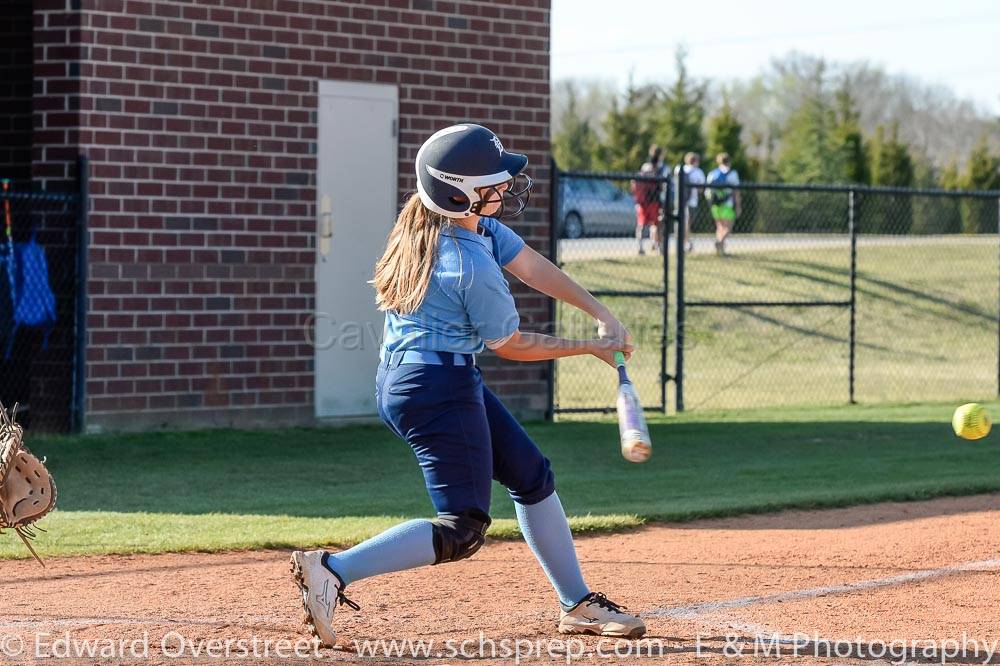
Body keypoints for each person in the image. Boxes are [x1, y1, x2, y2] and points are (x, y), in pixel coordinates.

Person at [290, 124, 646, 647]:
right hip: (433, 387)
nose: (506, 189)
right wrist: (588, 346)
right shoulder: (467, 261)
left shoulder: (450, 223)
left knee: (530, 475)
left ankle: (577, 604)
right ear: (461, 193)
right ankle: (332, 569)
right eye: (495, 183)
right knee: (463, 528)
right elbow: (511, 344)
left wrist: (598, 311)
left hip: (430, 376)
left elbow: (531, 265)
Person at [705, 152, 741, 256]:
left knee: (719, 226)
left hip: (715, 204)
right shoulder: (732, 174)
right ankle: (720, 242)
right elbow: (736, 191)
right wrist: (738, 205)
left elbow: (708, 191)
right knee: (728, 227)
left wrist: (710, 203)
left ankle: (720, 250)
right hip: (727, 204)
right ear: (729, 161)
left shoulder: (712, 174)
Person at [631, 146, 664, 255]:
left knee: (641, 224)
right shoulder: (658, 169)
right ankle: (657, 246)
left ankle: (640, 247)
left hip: (642, 201)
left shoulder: (644, 168)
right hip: (653, 201)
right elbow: (661, 186)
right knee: (655, 224)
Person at [675, 152, 705, 253]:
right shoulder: (698, 172)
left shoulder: (680, 169)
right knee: (687, 223)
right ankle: (686, 243)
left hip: (679, 200)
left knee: (683, 223)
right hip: (692, 201)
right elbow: (701, 189)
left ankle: (685, 242)